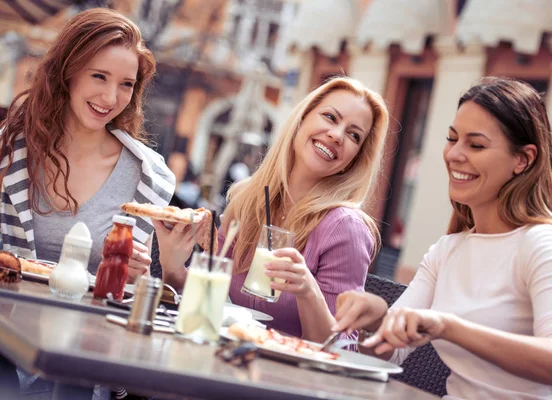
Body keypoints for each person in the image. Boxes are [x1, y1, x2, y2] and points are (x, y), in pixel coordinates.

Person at [333, 77, 552, 399]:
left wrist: (448, 327)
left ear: (523, 159)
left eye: (476, 145)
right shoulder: (448, 250)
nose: (454, 154)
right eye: (452, 138)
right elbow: (388, 353)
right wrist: (374, 318)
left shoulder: (542, 243)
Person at [0, 8, 176, 400]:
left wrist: (133, 282)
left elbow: (131, 310)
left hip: (78, 373)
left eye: (126, 84)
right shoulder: (8, 151)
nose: (110, 98)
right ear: (68, 71)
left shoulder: (148, 178)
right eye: (99, 76)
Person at [157, 76, 389, 342]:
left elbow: (341, 349)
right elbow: (207, 308)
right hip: (219, 362)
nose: (337, 135)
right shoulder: (247, 197)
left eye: (353, 135)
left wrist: (308, 292)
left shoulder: (345, 228)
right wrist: (173, 267)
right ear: (302, 119)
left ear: (355, 158)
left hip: (282, 378)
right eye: (330, 118)